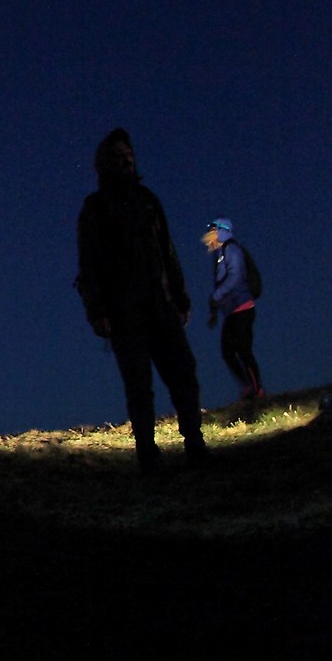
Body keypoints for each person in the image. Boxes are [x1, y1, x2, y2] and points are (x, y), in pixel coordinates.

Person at [76, 128, 207, 475]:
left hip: (160, 306)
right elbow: (89, 264)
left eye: (129, 155)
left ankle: (194, 442)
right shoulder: (95, 208)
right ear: (105, 163)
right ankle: (148, 454)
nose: (127, 161)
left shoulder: (148, 199)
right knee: (139, 386)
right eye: (118, 156)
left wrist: (180, 296)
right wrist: (98, 311)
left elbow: (167, 250)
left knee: (183, 373)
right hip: (124, 313)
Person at [203, 218, 264, 403]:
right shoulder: (221, 254)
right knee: (228, 352)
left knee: (243, 350)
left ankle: (257, 390)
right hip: (232, 311)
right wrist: (214, 310)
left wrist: (216, 296)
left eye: (213, 230)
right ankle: (248, 387)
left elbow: (235, 277)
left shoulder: (232, 249)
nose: (209, 235)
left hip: (243, 308)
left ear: (222, 231)